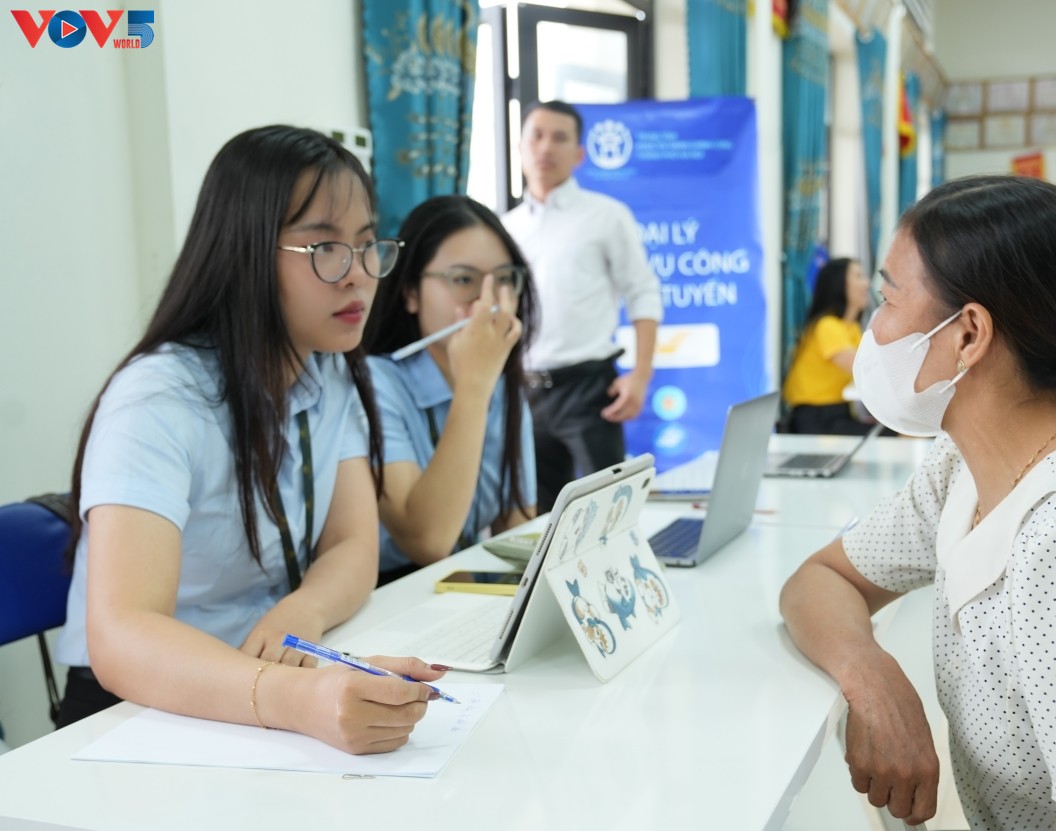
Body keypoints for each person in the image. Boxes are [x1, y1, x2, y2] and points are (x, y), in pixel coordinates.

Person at [779, 175, 1056, 828]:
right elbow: (820, 579)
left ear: (969, 333)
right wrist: (873, 677)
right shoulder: (963, 469)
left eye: (887, 299)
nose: (873, 329)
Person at [53, 126, 447, 754]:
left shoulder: (329, 370)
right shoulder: (159, 398)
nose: (358, 275)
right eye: (325, 247)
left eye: (367, 244)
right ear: (246, 251)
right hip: (145, 705)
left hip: (268, 677)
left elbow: (352, 544)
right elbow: (123, 633)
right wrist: (297, 699)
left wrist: (305, 609)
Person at [362, 196, 538, 582]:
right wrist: (473, 386)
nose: (489, 303)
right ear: (410, 293)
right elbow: (428, 541)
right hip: (390, 592)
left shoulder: (501, 382)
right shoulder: (374, 383)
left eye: (503, 280)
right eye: (463, 280)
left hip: (466, 585)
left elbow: (517, 527)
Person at [502, 100, 663, 513]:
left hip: (589, 390)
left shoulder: (606, 216)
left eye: (559, 138)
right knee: (538, 520)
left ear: (578, 154)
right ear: (520, 146)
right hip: (525, 390)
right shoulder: (505, 229)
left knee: (608, 512)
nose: (545, 147)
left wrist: (641, 375)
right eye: (536, 136)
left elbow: (643, 293)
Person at [781, 257, 875, 434]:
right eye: (858, 276)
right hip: (816, 419)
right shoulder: (827, 326)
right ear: (839, 284)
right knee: (902, 432)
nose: (866, 284)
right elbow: (866, 370)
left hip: (838, 412)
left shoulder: (851, 328)